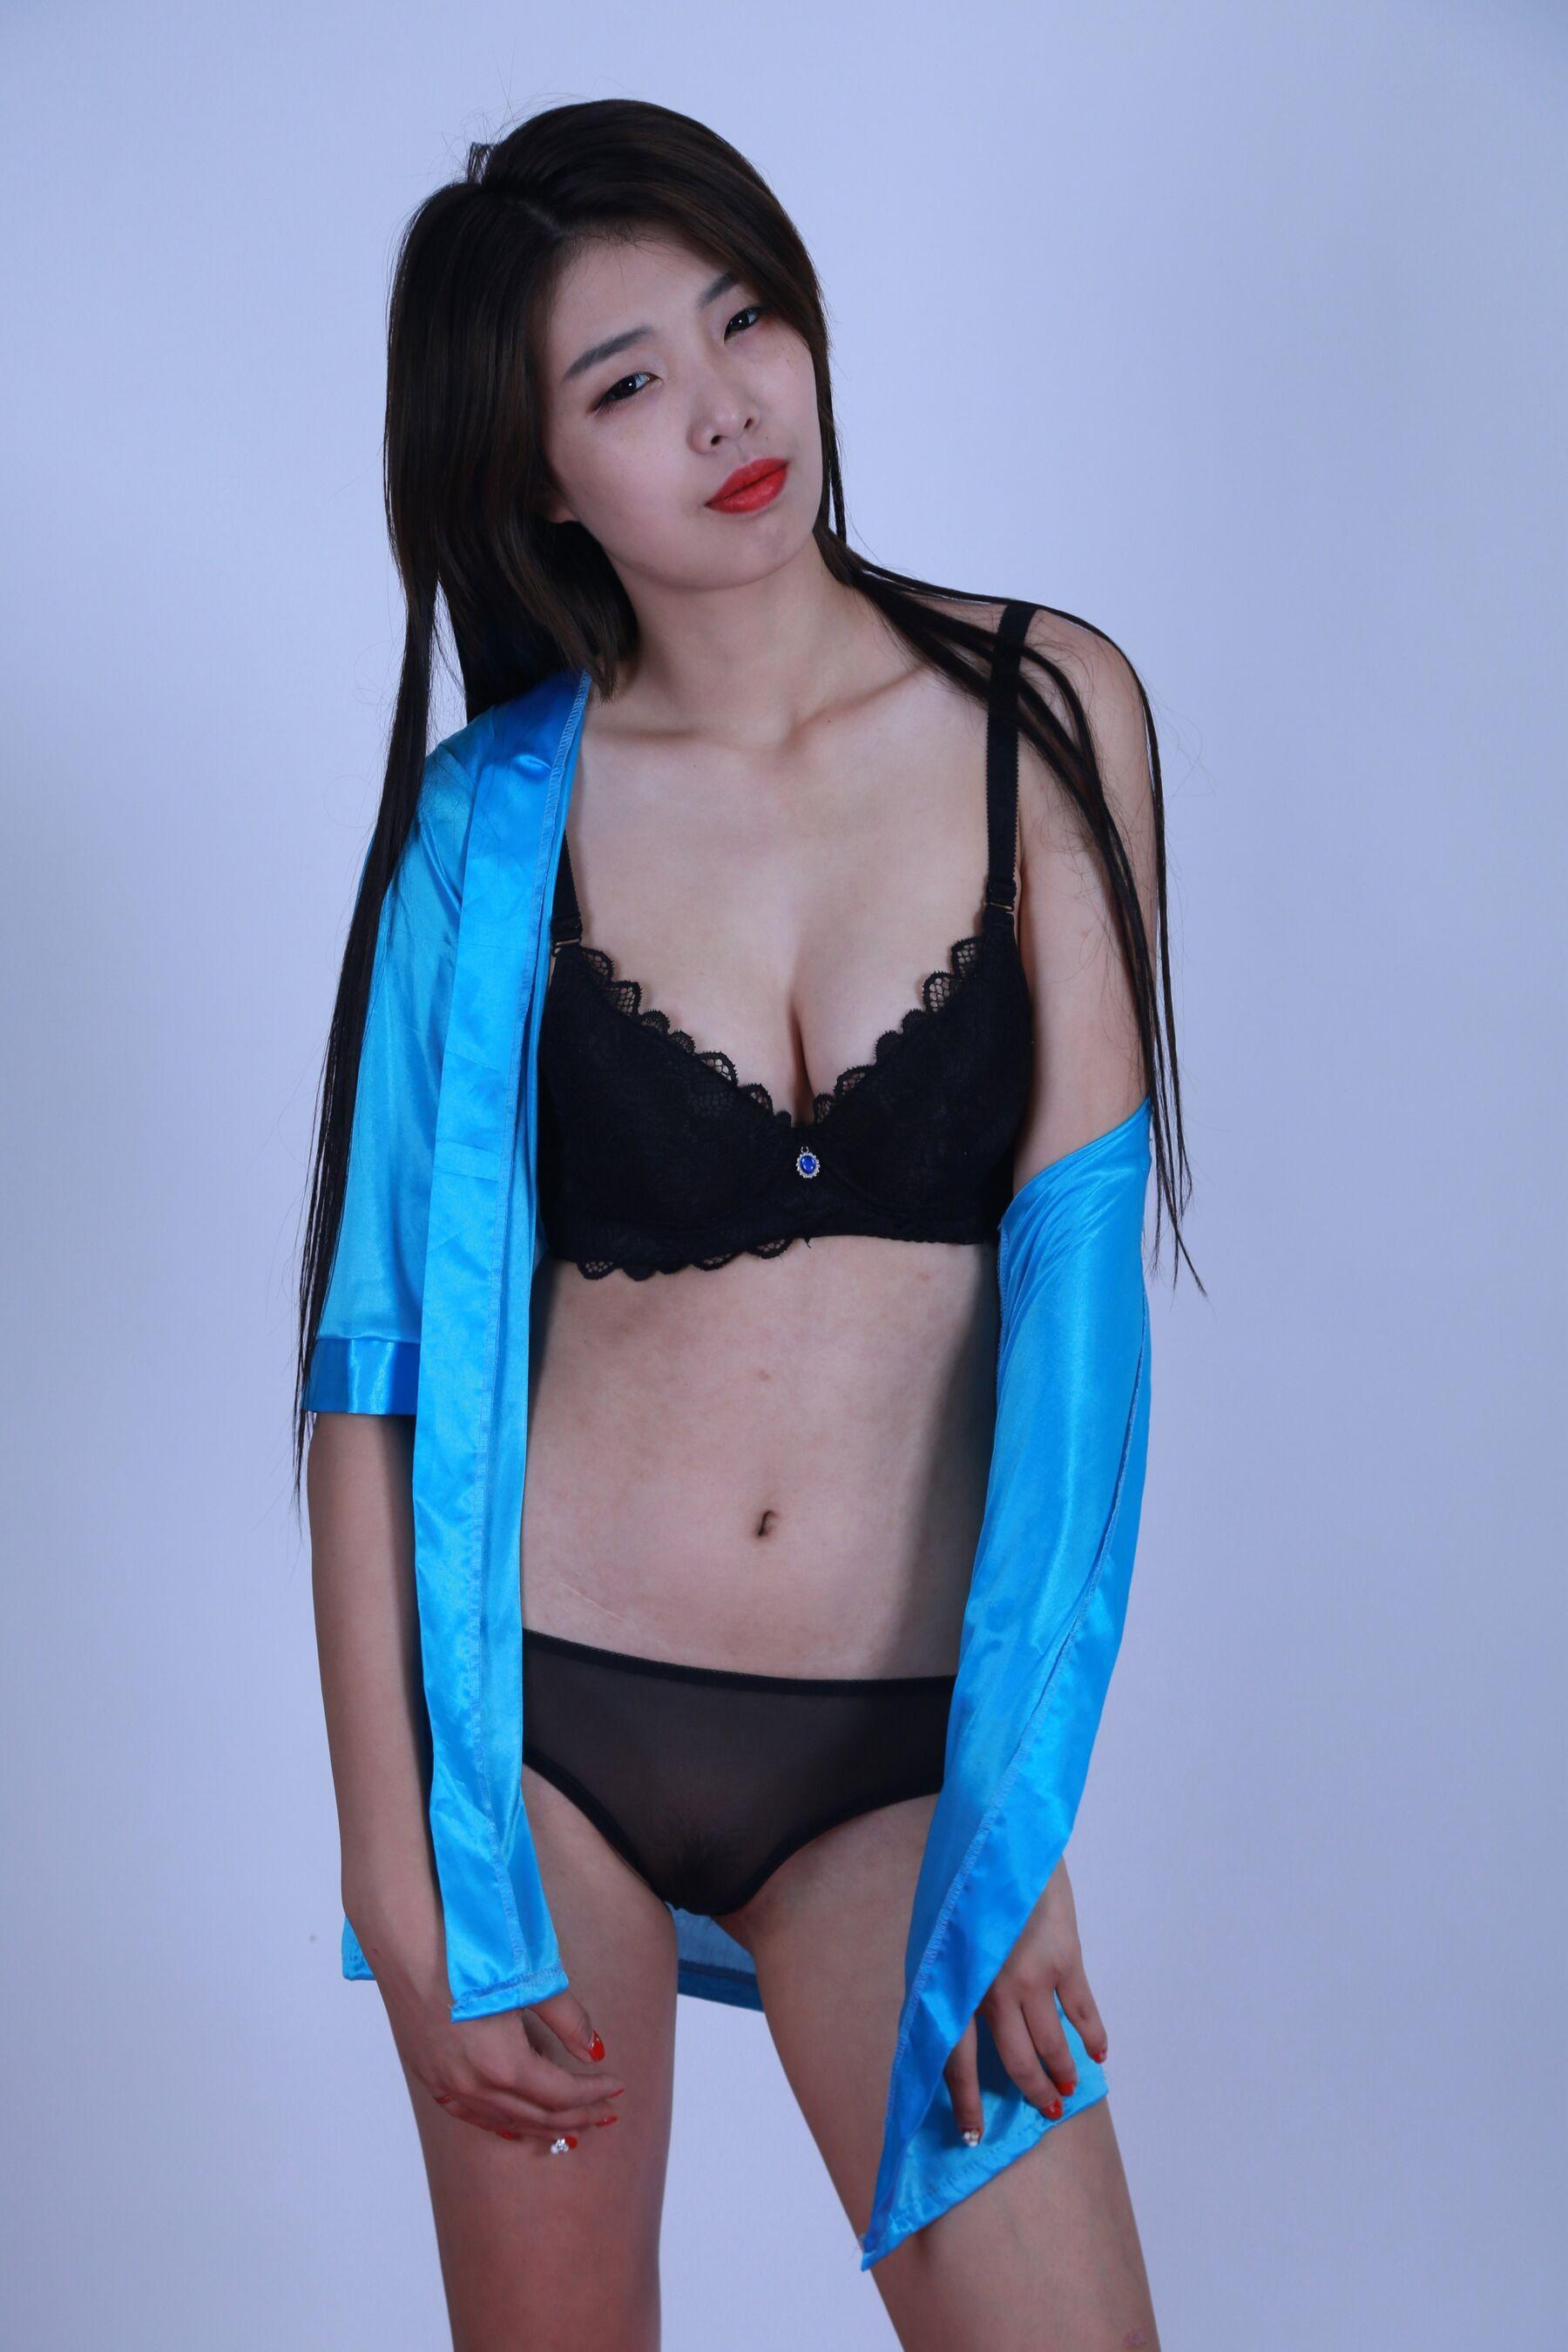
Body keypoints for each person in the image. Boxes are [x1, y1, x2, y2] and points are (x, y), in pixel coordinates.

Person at [295, 96, 1197, 2352]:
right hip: (548, 1748)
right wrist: (399, 1867)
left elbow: (1079, 1308)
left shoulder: (1046, 710)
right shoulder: (488, 825)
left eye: (745, 319)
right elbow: (372, 1373)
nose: (723, 406)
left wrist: (1016, 1818)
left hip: (899, 1758)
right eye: (626, 383)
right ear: (535, 477)